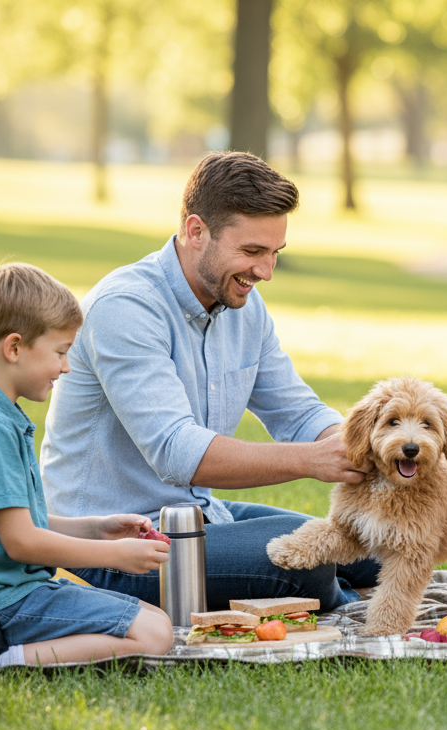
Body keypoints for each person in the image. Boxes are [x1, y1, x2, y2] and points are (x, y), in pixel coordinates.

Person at [40, 151, 378, 612]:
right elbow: (177, 452)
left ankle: (337, 590)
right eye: (252, 252)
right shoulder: (126, 308)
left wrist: (360, 446)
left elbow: (297, 412)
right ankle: (343, 603)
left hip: (200, 516)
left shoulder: (243, 305)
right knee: (307, 560)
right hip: (112, 547)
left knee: (367, 542)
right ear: (196, 232)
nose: (265, 272)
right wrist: (312, 460)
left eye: (275, 253)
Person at [0, 263, 174, 672]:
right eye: (60, 352)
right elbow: (22, 543)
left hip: (7, 594)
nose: (66, 367)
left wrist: (96, 528)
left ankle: (0, 649)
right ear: (14, 348)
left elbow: (17, 522)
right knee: (154, 635)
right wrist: (113, 555)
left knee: (155, 619)